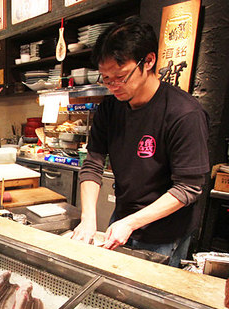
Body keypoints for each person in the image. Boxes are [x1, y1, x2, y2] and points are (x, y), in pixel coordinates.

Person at [71, 17, 210, 267]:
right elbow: (92, 165)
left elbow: (189, 187)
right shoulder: (110, 109)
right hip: (123, 218)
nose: (112, 86)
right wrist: (88, 217)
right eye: (106, 78)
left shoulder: (184, 113)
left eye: (121, 76)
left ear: (148, 61)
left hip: (165, 232)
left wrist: (131, 222)